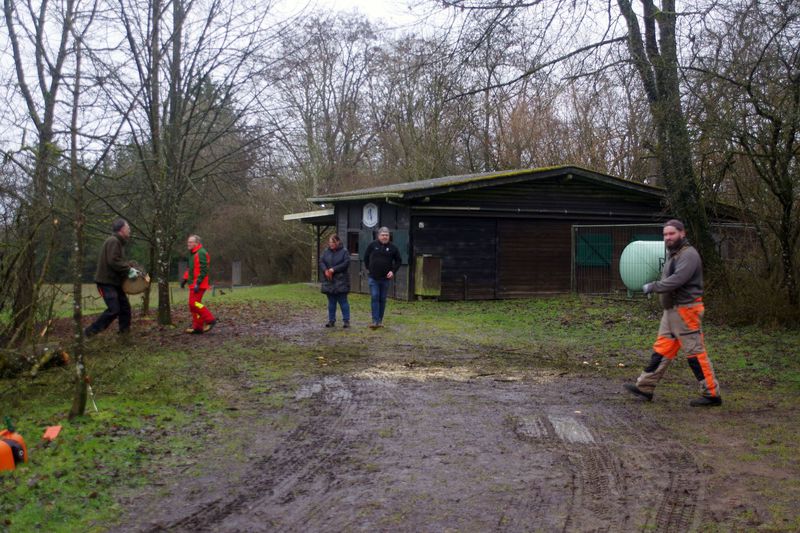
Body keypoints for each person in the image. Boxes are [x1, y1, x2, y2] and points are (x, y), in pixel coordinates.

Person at [624, 219, 722, 407]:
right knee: (661, 350)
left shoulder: (689, 255)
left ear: (682, 233)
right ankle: (645, 387)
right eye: (665, 234)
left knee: (695, 353)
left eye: (672, 233)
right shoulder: (674, 254)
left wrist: (654, 286)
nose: (668, 237)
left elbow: (678, 279)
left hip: (686, 311)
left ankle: (712, 394)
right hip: (672, 312)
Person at [85, 218, 133, 338]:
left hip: (115, 283)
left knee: (125, 308)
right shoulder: (113, 241)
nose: (130, 230)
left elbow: (117, 261)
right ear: (122, 229)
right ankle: (89, 333)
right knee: (114, 309)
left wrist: (129, 267)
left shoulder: (118, 242)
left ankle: (124, 335)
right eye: (128, 228)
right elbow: (113, 261)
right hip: (106, 283)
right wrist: (129, 269)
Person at [363, 226, 401, 329]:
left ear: (389, 236)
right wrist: (369, 268)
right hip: (373, 278)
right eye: (383, 235)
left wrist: (393, 271)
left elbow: (398, 261)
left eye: (387, 235)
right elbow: (365, 257)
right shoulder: (372, 245)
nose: (385, 237)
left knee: (382, 299)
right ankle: (375, 321)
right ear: (378, 235)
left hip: (385, 279)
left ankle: (380, 321)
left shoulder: (393, 248)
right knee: (375, 296)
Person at [181, 234, 216, 334]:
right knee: (193, 306)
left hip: (199, 284)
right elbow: (190, 269)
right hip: (193, 283)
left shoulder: (201, 253)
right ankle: (198, 327)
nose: (188, 244)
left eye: (190, 242)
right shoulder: (192, 253)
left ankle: (210, 319)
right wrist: (185, 279)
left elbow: (204, 270)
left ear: (197, 243)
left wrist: (198, 283)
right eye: (188, 242)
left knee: (194, 304)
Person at [319, 234, 351, 328]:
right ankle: (331, 320)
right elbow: (321, 261)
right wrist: (325, 270)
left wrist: (334, 269)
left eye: (333, 242)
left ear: (338, 242)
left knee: (343, 301)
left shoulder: (344, 252)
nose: (331, 244)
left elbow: (346, 263)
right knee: (331, 302)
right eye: (330, 242)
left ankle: (346, 321)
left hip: (341, 280)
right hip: (329, 280)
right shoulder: (326, 251)